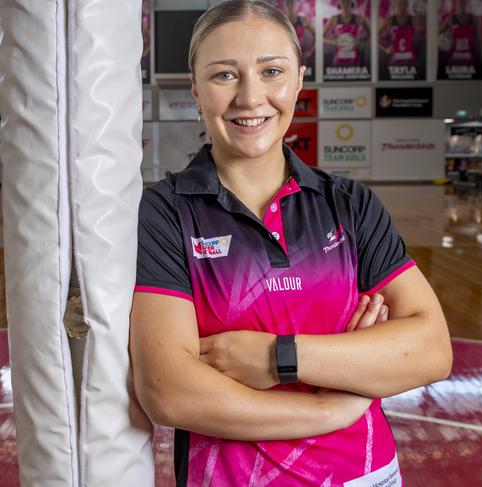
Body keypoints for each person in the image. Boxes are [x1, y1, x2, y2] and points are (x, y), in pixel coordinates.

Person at [129, 1, 452, 485]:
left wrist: (276, 357)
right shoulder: (164, 212)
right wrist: (330, 408)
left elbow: (430, 349)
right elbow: (168, 390)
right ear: (195, 89)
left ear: (299, 80)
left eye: (271, 71)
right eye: (224, 76)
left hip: (365, 474)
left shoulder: (350, 204)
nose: (250, 97)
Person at [323, 0, 371, 66]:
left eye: (347, 3)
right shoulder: (333, 19)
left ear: (351, 4)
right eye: (343, 3)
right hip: (339, 56)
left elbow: (372, 36)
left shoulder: (359, 19)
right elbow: (321, 36)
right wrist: (334, 41)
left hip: (354, 56)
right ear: (339, 5)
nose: (345, 6)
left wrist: (359, 41)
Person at [378, 0, 417, 66]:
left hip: (410, 58)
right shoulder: (390, 19)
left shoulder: (413, 19)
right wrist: (385, 49)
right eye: (400, 3)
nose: (402, 6)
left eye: (404, 3)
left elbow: (421, 37)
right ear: (396, 5)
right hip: (395, 59)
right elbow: (374, 36)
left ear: (407, 5)